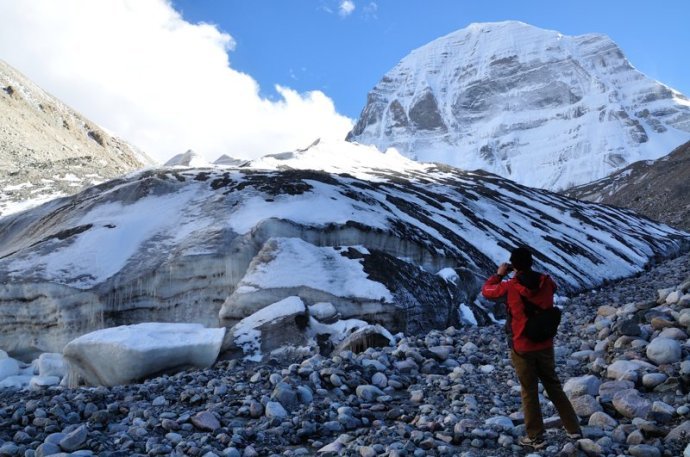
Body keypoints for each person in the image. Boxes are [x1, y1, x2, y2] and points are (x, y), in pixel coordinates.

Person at [481, 246, 582, 449]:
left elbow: (487, 292)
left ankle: (535, 436)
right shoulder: (546, 281)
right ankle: (574, 429)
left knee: (529, 390)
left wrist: (499, 274)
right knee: (553, 385)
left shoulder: (510, 286)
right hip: (544, 342)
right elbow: (551, 290)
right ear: (531, 262)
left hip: (522, 344)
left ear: (514, 266)